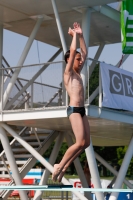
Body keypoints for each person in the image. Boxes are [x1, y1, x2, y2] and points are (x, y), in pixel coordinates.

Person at [52, 22, 90, 182]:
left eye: (80, 60)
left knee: (86, 143)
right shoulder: (68, 73)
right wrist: (74, 36)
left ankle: (65, 166)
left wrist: (80, 35)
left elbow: (84, 52)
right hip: (74, 110)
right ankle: (59, 166)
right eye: (77, 59)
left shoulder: (78, 72)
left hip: (82, 110)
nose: (81, 61)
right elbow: (74, 50)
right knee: (79, 141)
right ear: (69, 59)